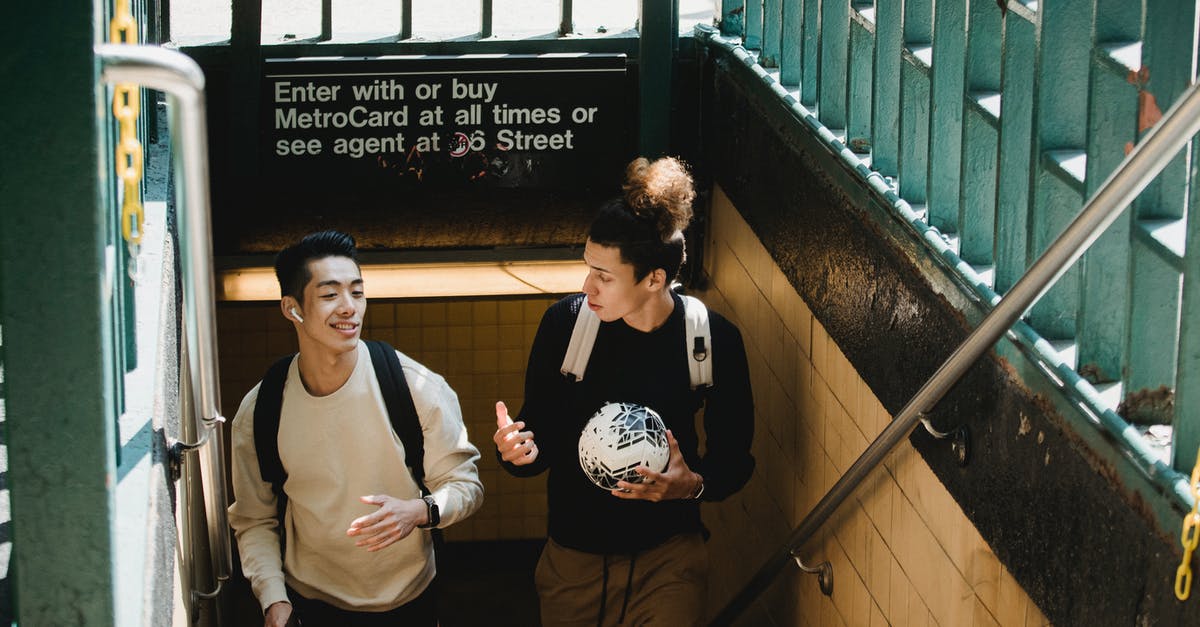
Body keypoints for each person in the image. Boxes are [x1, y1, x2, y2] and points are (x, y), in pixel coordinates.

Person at [493, 157, 755, 626]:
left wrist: (691, 486)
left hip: (669, 559)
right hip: (574, 560)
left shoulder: (711, 341)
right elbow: (540, 438)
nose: (587, 286)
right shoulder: (567, 326)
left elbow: (734, 461)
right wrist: (518, 452)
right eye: (588, 268)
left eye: (605, 276)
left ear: (654, 279)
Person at [228, 230, 483, 627]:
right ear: (292, 308)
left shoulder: (414, 387)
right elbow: (253, 519)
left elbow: (466, 487)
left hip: (410, 599)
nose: (349, 308)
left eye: (357, 292)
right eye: (330, 295)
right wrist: (273, 599)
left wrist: (418, 511)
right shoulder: (260, 409)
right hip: (311, 603)